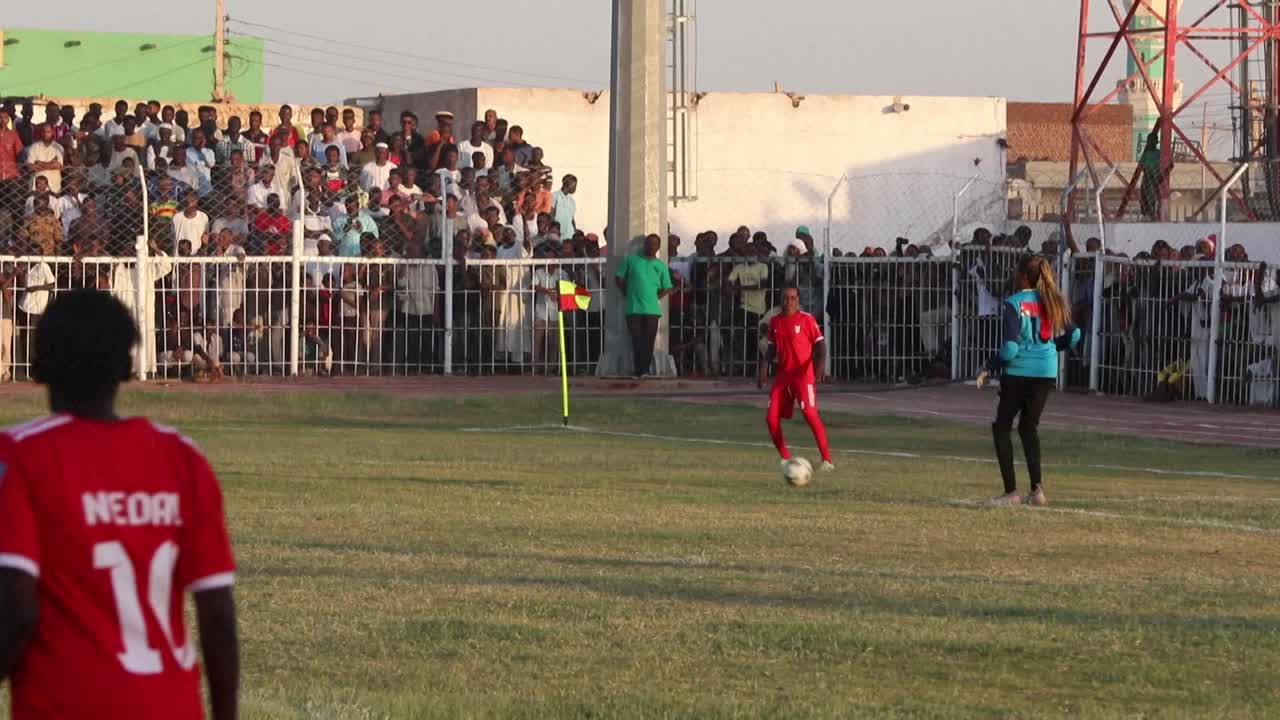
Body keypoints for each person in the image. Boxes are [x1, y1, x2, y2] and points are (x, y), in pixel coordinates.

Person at [0, 290, 239, 719]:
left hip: (65, 703)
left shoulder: (18, 455)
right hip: (172, 704)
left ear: (38, 366)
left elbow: (14, 607)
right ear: (128, 366)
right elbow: (217, 611)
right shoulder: (181, 456)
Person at [976, 254, 1081, 507]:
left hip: (1018, 371)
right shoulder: (1053, 300)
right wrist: (1051, 347)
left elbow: (1011, 348)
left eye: (1016, 272)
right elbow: (1075, 333)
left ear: (1024, 275)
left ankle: (1011, 492)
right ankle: (1037, 491)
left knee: (1002, 426)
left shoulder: (1014, 303)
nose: (1013, 275)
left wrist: (989, 367)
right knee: (1028, 427)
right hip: (1045, 372)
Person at [759, 285, 835, 473]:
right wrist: (763, 370)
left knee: (810, 414)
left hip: (803, 376)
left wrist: (819, 369)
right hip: (783, 376)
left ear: (798, 300)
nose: (789, 301)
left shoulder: (807, 319)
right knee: (771, 418)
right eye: (786, 297)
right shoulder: (775, 322)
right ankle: (785, 458)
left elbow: (821, 346)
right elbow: (770, 350)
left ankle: (827, 460)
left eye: (793, 298)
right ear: (781, 299)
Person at [615, 233, 674, 378]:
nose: (652, 246)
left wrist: (655, 297)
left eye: (655, 244)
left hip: (652, 310)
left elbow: (667, 286)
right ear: (645, 244)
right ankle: (638, 370)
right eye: (649, 243)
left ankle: (644, 371)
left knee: (648, 341)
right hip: (633, 308)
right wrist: (626, 293)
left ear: (659, 247)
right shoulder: (632, 260)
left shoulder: (660, 265)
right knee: (636, 339)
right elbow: (618, 278)